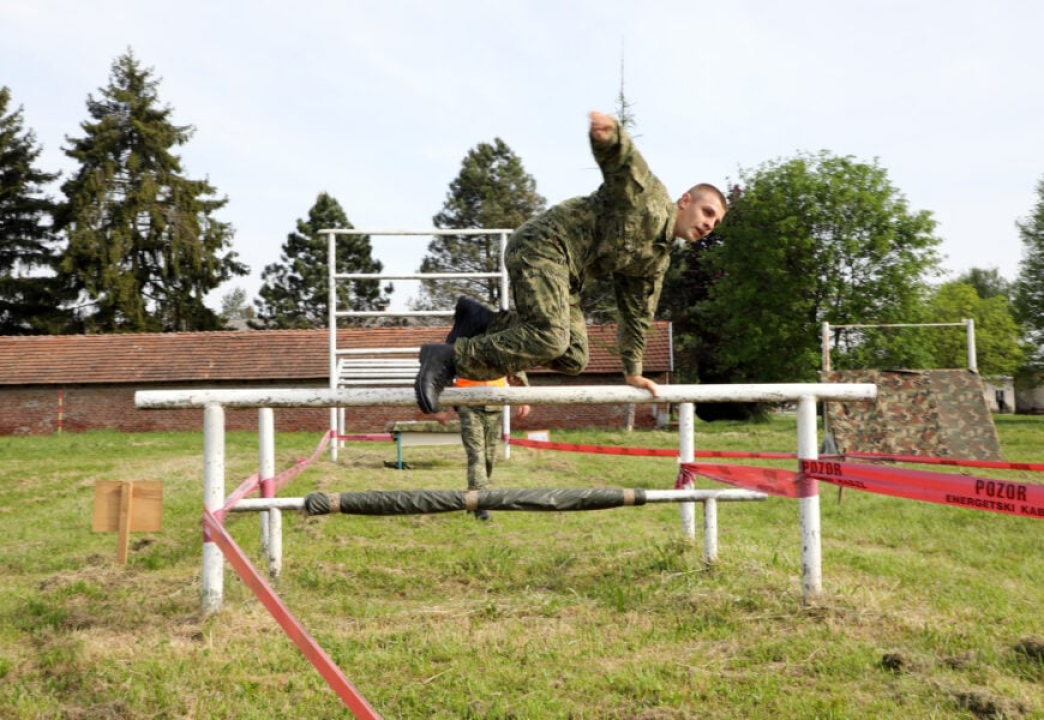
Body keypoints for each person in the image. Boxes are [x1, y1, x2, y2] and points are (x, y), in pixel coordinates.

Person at [415, 110, 727, 414]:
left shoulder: (655, 260)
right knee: (551, 337)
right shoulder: (652, 201)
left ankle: (482, 322)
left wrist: (633, 371)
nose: (708, 225)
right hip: (544, 244)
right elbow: (628, 168)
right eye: (707, 213)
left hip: (568, 278)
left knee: (573, 357)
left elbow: (637, 315)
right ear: (685, 201)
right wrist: (610, 137)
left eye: (715, 224)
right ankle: (446, 358)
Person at [433, 374, 531, 522]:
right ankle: (480, 503)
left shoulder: (503, 349)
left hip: (494, 400)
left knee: (489, 456)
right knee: (476, 454)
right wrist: (442, 407)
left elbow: (515, 366)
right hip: (467, 401)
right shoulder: (458, 349)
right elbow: (444, 371)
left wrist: (524, 397)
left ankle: (474, 498)